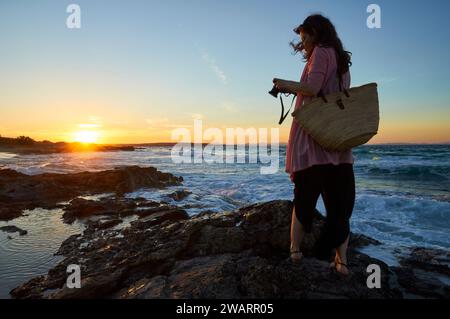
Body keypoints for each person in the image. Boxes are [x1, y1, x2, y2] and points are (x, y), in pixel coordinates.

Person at [273, 14, 355, 275]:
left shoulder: (320, 52)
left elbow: (313, 87)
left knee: (303, 198)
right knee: (339, 205)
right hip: (337, 140)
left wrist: (286, 84)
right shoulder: (341, 59)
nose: (303, 43)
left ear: (314, 33)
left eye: (304, 36)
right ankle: (341, 262)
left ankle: (295, 251)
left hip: (314, 138)